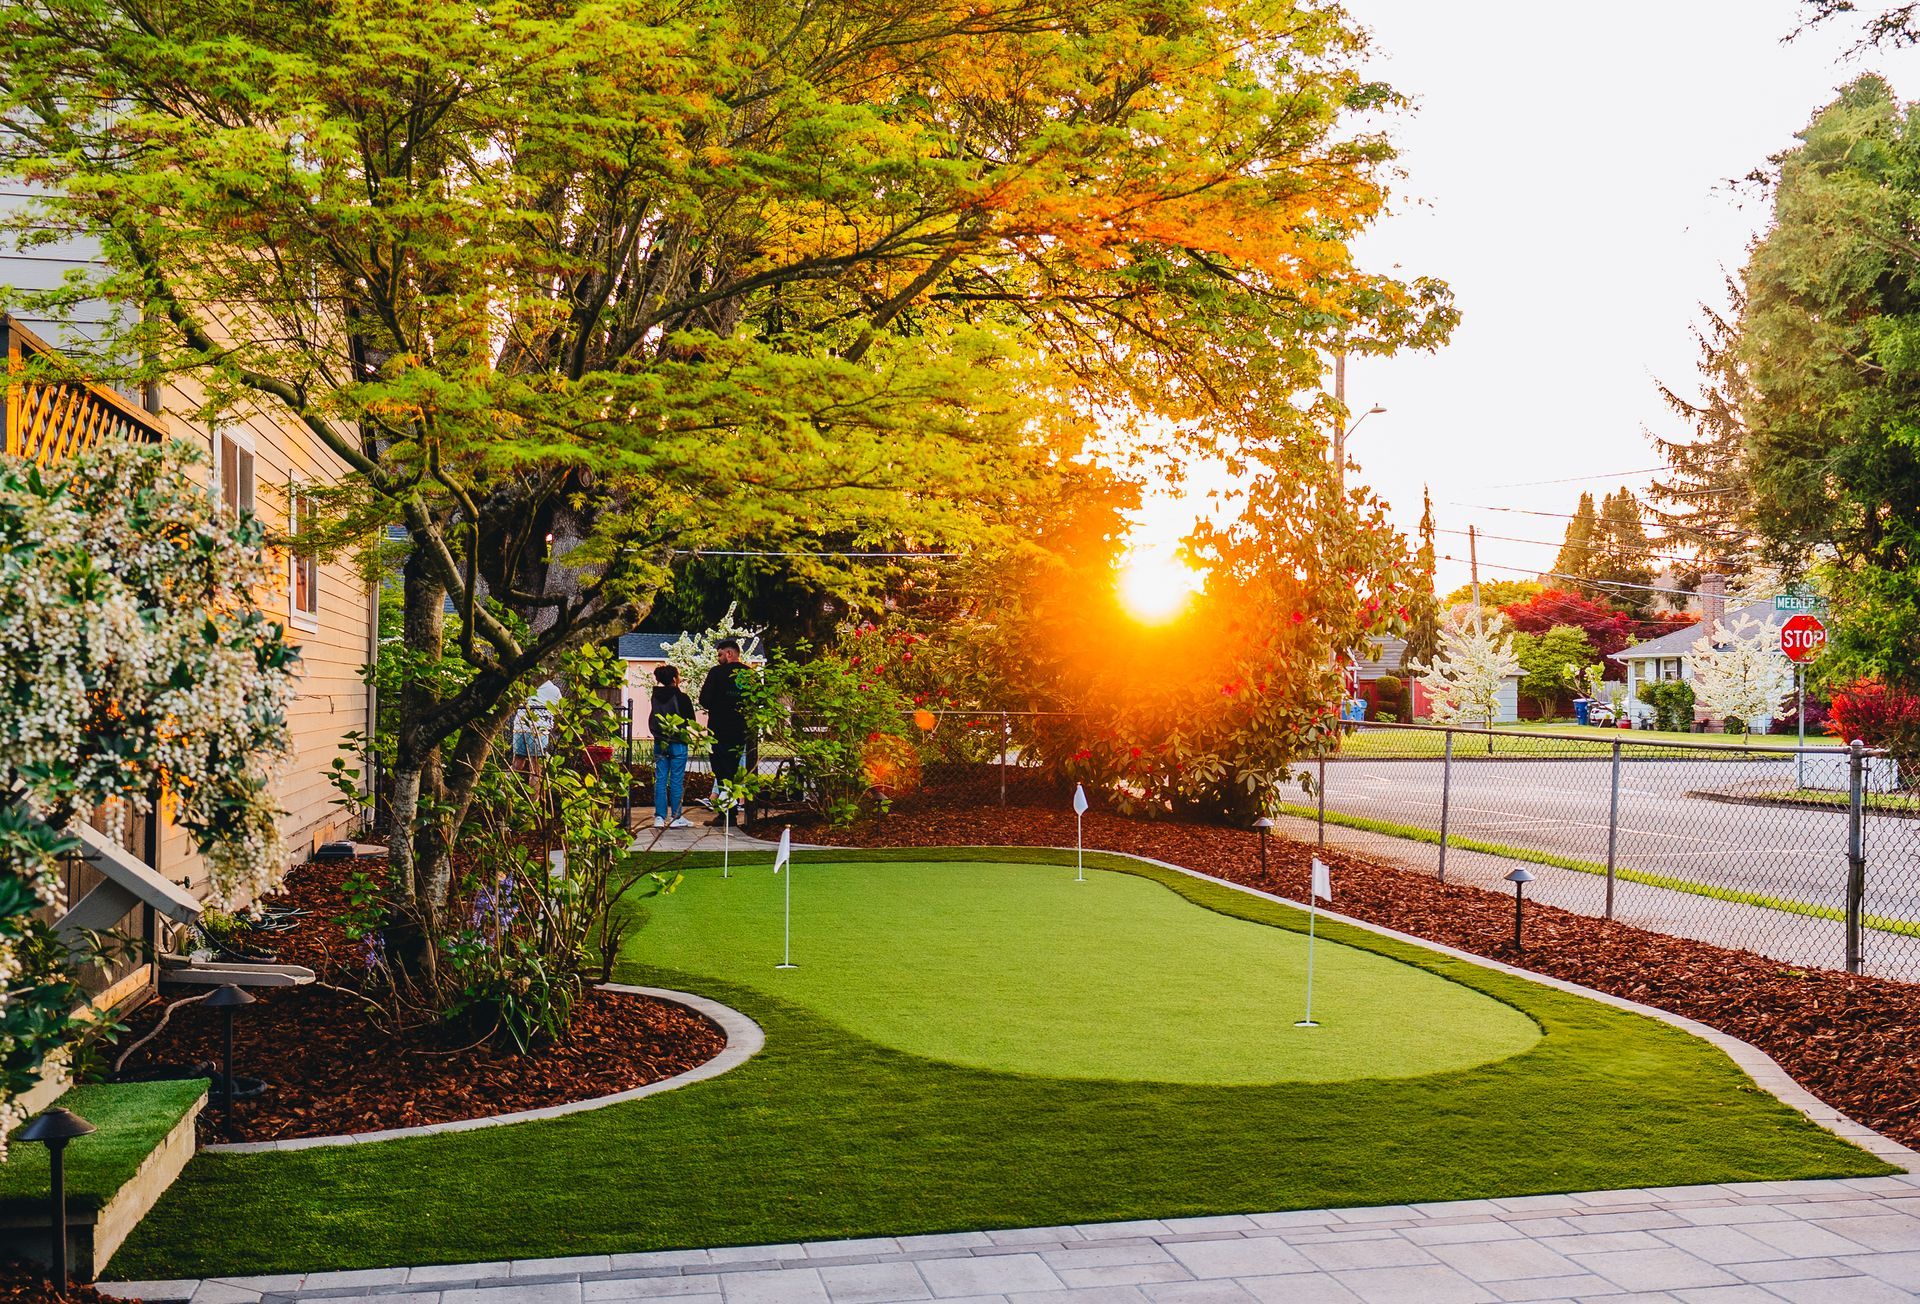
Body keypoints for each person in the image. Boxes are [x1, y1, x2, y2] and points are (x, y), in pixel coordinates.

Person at [699, 638, 756, 825]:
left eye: (720, 654)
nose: (718, 658)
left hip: (719, 730)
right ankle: (733, 812)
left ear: (729, 653)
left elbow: (704, 700)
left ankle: (727, 813)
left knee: (722, 771)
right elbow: (758, 698)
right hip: (742, 730)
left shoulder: (716, 673)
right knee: (736, 770)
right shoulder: (750, 674)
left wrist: (719, 703)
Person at [648, 665, 696, 829]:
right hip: (678, 742)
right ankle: (676, 817)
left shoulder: (654, 696)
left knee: (660, 779)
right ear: (675, 679)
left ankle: (659, 817)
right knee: (676, 780)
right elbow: (690, 719)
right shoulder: (682, 697)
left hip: (660, 742)